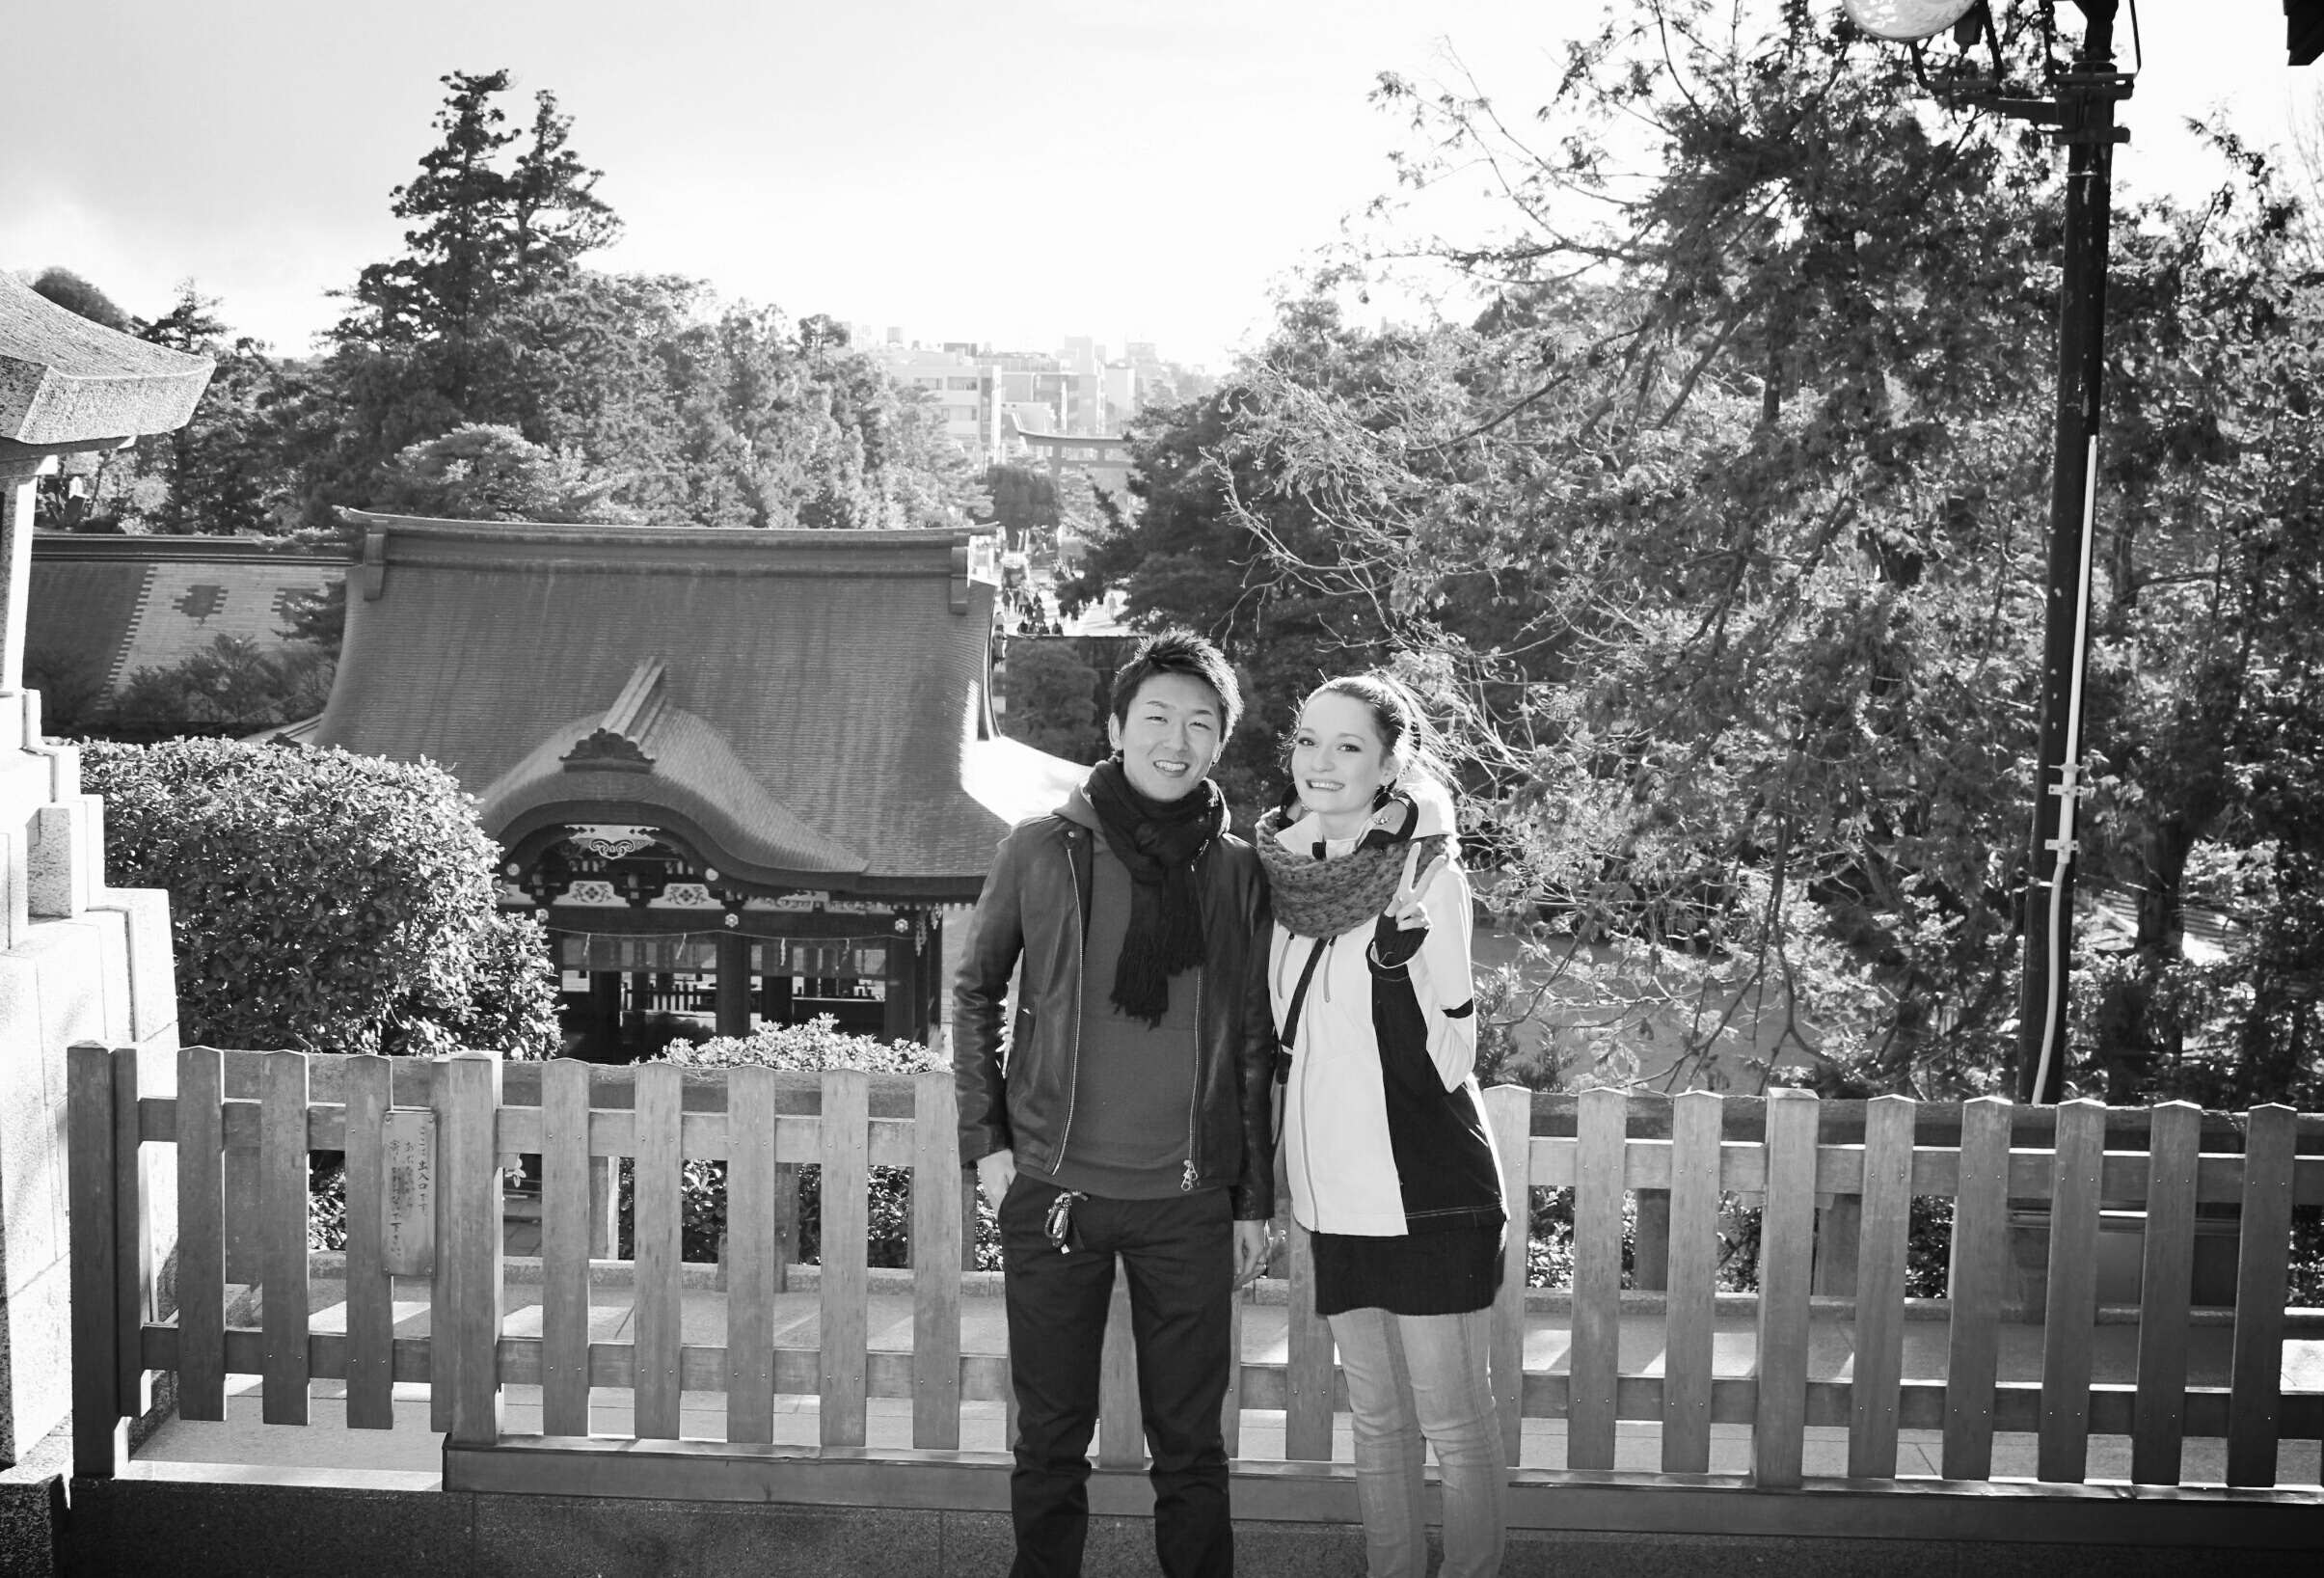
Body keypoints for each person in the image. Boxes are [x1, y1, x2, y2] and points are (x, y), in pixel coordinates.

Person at [956, 628, 1278, 1578]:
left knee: (1192, 1447)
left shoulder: (1236, 871)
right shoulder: (1042, 848)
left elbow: (1252, 1040)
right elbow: (976, 991)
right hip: (1056, 1190)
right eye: (1157, 718)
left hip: (1188, 1199)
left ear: (1219, 741)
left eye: (1200, 724)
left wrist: (1251, 1198)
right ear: (1116, 726)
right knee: (1051, 1438)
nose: (1176, 741)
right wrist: (989, 1143)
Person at [1260, 673, 1508, 1578]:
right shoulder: (1284, 878)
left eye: (1349, 745)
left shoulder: (1428, 874)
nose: (1321, 763)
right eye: (1307, 741)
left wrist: (1400, 972)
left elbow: (1450, 1061)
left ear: (1391, 764)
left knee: (1454, 1420)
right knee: (1376, 1419)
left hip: (1427, 1187)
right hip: (1333, 1193)